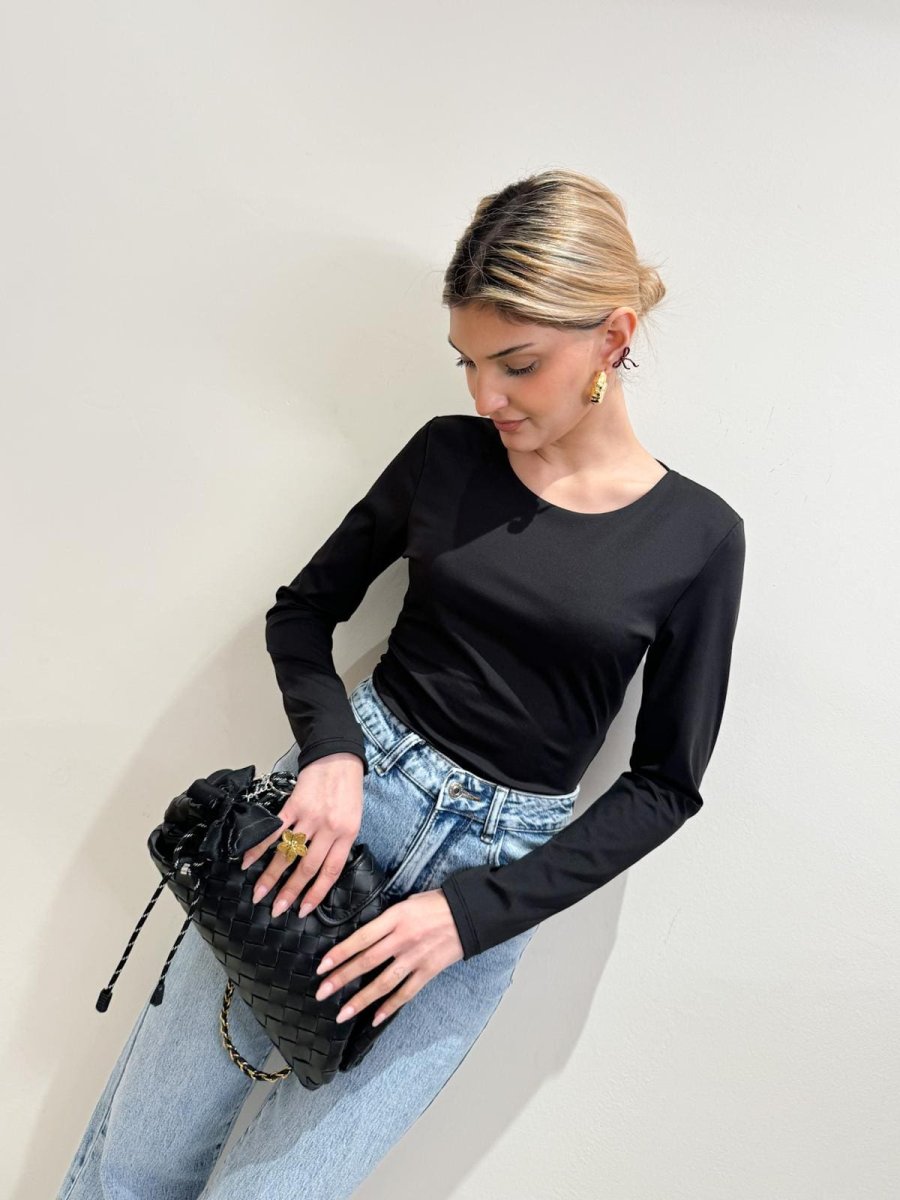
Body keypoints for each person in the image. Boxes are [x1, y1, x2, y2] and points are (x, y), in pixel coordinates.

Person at [58, 168, 746, 1199]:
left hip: (481, 895)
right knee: (136, 1165)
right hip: (323, 829)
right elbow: (303, 611)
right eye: (468, 361)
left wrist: (470, 916)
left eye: (517, 364)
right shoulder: (446, 458)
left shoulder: (699, 538)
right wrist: (332, 752)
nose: (485, 397)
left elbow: (665, 786)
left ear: (612, 336)